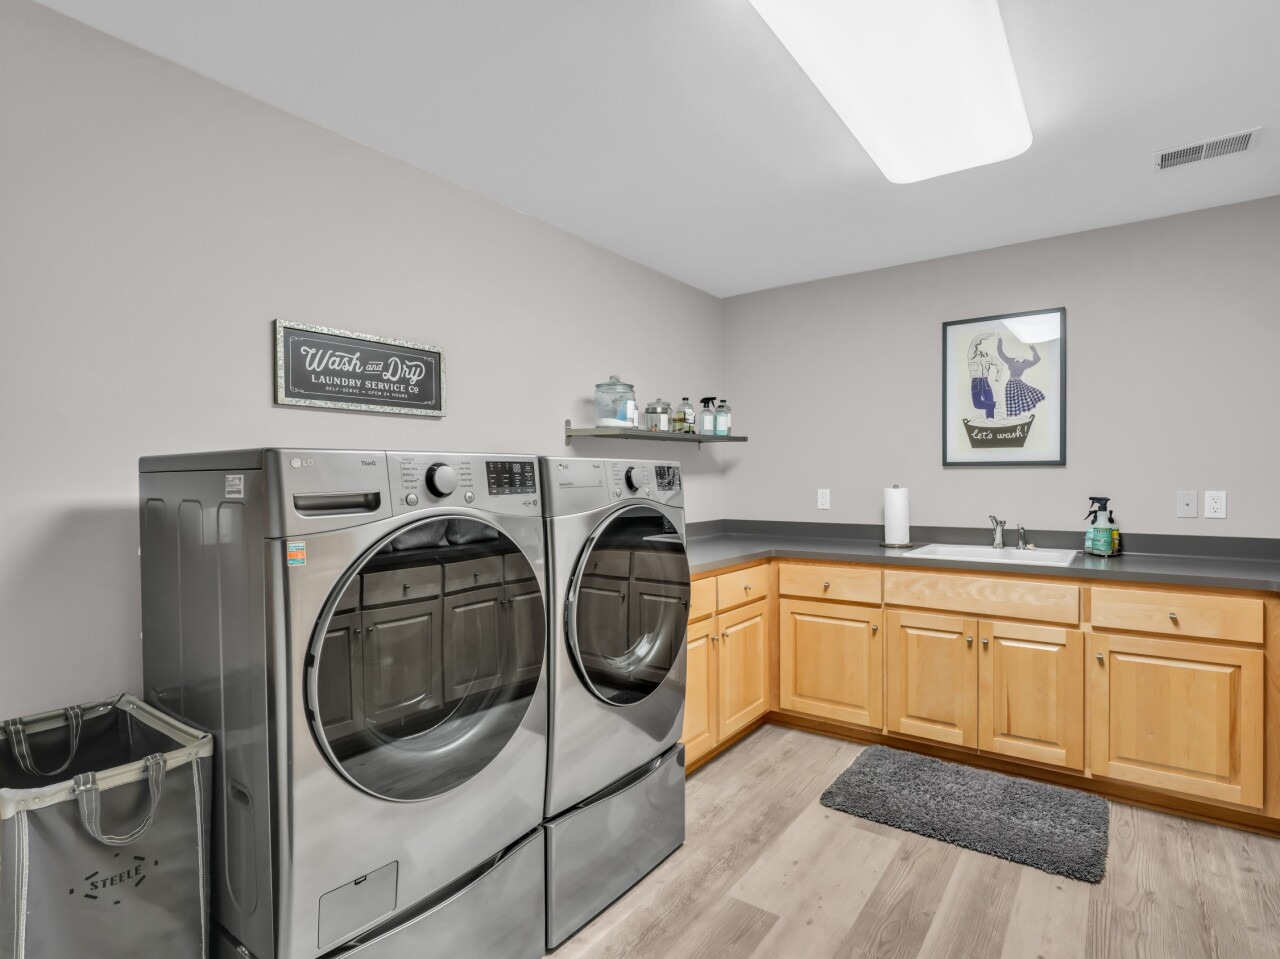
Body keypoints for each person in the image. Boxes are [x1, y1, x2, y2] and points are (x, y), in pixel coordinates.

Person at [997, 338, 1045, 417]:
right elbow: (1000, 353)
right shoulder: (1011, 360)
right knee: (1013, 401)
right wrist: (999, 340)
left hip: (1018, 382)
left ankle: (1017, 416)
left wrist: (1032, 347)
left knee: (1023, 398)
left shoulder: (1025, 362)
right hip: (1011, 384)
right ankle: (1013, 417)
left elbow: (1037, 359)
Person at [967, 334, 999, 419]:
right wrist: (984, 336)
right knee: (977, 404)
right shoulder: (971, 355)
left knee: (989, 401)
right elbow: (974, 341)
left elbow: (1000, 364)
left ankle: (990, 421)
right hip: (976, 382)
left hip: (985, 381)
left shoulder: (988, 356)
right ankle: (994, 405)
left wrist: (998, 376)